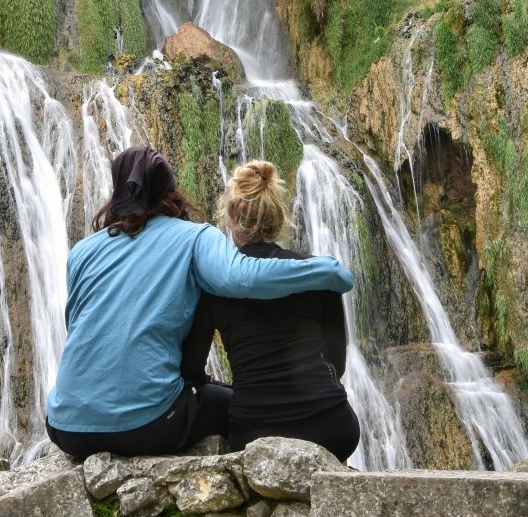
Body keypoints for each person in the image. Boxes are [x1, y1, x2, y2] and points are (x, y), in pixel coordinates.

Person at [46, 146, 354, 458]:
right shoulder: (195, 238)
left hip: (64, 428)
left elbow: (79, 329)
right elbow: (241, 277)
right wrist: (325, 271)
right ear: (171, 191)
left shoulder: (81, 252)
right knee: (228, 399)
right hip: (147, 426)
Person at [181, 160, 361, 461]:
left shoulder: (215, 286)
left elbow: (191, 370)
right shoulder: (316, 274)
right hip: (332, 428)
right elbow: (337, 364)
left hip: (253, 432)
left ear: (232, 218)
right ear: (277, 217)